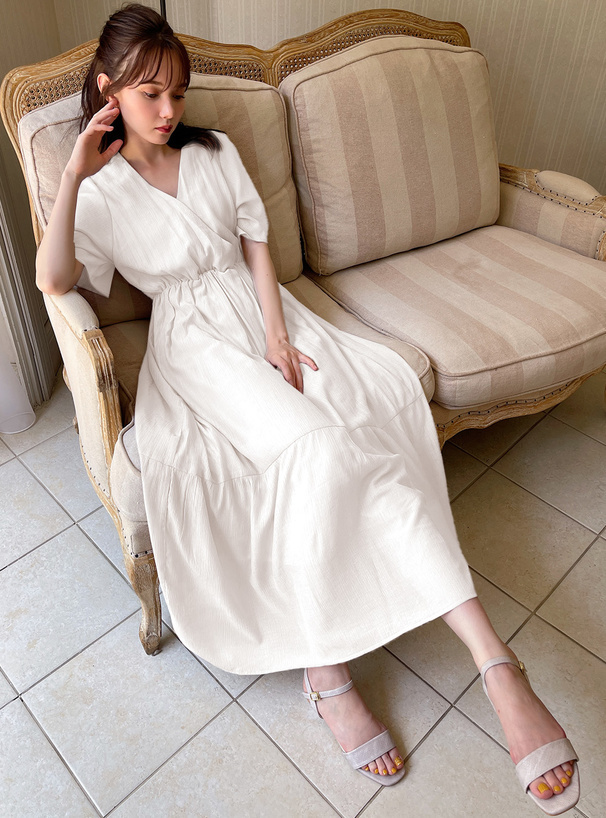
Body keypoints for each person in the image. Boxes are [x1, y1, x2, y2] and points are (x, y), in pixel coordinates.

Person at [36, 4, 579, 811]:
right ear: (108, 88)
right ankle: (328, 670)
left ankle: (495, 663)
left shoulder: (213, 151)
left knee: (369, 427)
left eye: (178, 92)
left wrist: (279, 335)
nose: (169, 109)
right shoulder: (101, 189)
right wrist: (75, 175)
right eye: (151, 94)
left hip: (268, 323)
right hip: (196, 349)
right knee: (320, 449)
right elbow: (53, 281)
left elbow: (255, 244)